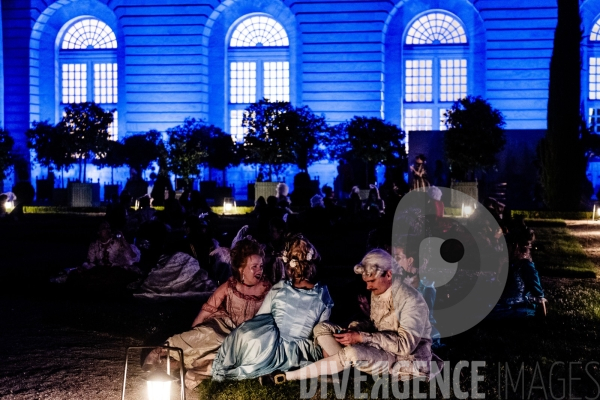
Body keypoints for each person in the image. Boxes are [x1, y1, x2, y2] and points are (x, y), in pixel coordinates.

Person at [267, 249, 437, 385]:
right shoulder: (380, 289)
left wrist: (361, 337)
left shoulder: (411, 300)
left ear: (389, 275)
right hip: (378, 346)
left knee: (352, 352)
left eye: (371, 281)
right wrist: (356, 328)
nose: (368, 287)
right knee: (322, 328)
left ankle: (287, 376)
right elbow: (376, 324)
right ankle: (342, 367)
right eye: (366, 282)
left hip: (403, 359)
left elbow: (405, 345)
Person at [142, 238, 272, 388]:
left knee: (225, 356)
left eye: (261, 266)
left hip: (246, 335)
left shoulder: (267, 289)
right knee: (204, 335)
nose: (259, 270)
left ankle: (190, 371)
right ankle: (161, 352)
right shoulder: (230, 286)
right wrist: (194, 333)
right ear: (242, 269)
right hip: (223, 326)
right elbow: (206, 309)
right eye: (254, 266)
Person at [212, 235, 333, 381]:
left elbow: (259, 320)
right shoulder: (323, 297)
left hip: (268, 347)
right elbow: (322, 331)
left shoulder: (279, 289)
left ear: (288, 265)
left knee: (249, 333)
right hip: (300, 352)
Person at [489, 229, 547, 319]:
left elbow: (538, 293)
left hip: (520, 307)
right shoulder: (508, 264)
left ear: (515, 247)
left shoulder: (526, 265)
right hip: (504, 305)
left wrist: (542, 318)